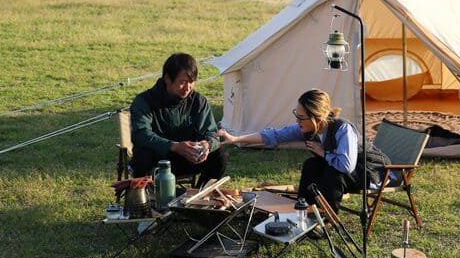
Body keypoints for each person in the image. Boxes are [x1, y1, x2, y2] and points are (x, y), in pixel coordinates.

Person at [217, 88, 389, 211]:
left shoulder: (342, 129)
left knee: (333, 172)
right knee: (311, 165)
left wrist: (324, 153)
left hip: (368, 169)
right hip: (342, 166)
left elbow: (346, 166)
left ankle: (326, 218)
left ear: (317, 117)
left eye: (301, 117)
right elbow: (273, 135)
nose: (298, 121)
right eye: (296, 115)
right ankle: (303, 208)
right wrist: (236, 139)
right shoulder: (306, 128)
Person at [129, 53, 226, 188]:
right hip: (159, 160)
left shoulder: (198, 101)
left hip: (189, 159)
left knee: (219, 154)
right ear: (167, 79)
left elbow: (211, 132)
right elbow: (141, 135)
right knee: (142, 154)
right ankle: (146, 202)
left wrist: (207, 144)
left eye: (191, 82)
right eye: (182, 82)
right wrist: (173, 146)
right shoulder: (145, 101)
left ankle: (199, 197)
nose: (187, 88)